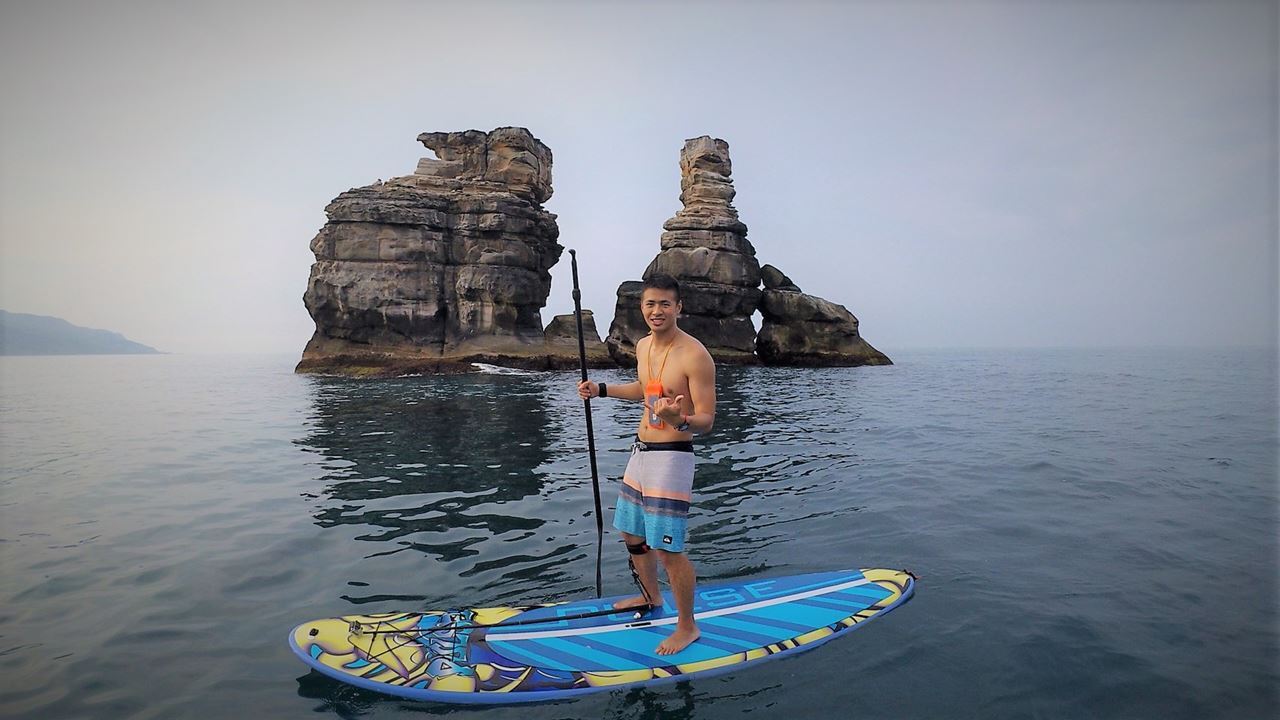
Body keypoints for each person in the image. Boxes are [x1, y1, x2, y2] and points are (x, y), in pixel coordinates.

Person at [577, 274, 716, 655]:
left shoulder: (695, 355)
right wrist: (601, 390)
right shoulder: (642, 346)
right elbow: (644, 388)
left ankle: (687, 626)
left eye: (665, 304)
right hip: (640, 452)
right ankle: (651, 597)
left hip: (672, 458)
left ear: (678, 308)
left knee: (667, 548)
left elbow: (707, 419)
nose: (657, 311)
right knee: (631, 534)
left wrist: (679, 420)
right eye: (651, 304)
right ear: (642, 308)